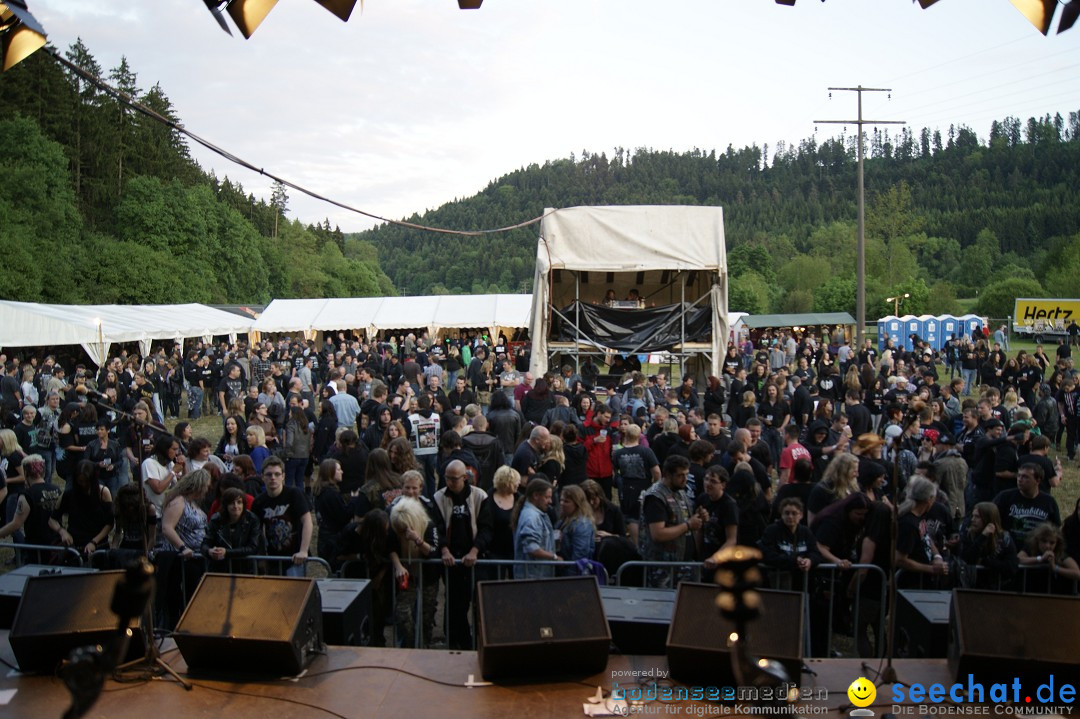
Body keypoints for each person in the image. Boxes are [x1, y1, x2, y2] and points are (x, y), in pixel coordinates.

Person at [433, 459, 489, 649]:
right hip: (451, 560)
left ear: (465, 478)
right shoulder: (439, 497)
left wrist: (475, 550)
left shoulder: (479, 496)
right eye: (447, 478)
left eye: (454, 479)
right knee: (454, 602)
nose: (449, 482)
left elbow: (486, 528)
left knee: (476, 602)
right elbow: (437, 528)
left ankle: (476, 641)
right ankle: (456, 641)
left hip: (474, 559)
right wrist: (444, 549)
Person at [156, 469, 211, 628]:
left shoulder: (194, 503)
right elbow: (167, 528)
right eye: (206, 486)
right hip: (179, 559)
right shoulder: (178, 502)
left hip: (196, 557)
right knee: (178, 598)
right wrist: (182, 547)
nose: (207, 490)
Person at [639, 455, 701, 588]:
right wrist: (688, 525)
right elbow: (658, 534)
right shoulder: (655, 497)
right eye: (680, 475)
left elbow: (683, 517)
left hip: (684, 563)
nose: (685, 479)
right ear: (667, 474)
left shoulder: (680, 491)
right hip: (664, 567)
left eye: (686, 474)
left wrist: (699, 518)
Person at [389, 496, 441, 648]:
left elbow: (433, 551)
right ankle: (410, 645)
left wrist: (418, 540)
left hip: (428, 577)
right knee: (402, 613)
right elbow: (390, 547)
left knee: (426, 615)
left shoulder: (429, 526)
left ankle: (424, 645)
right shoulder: (395, 525)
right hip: (409, 577)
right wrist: (398, 566)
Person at [252, 456, 313, 577]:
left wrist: (303, 550)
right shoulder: (259, 502)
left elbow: (307, 521)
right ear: (262, 476)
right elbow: (256, 531)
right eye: (269, 475)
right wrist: (262, 556)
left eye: (277, 474)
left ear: (283, 476)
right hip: (274, 559)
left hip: (296, 558)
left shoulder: (294, 494)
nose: (273, 478)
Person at [52, 459, 113, 561]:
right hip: (75, 545)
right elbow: (52, 519)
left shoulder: (103, 492)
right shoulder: (69, 494)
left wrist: (94, 542)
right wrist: (62, 531)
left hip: (99, 545)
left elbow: (109, 523)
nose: (83, 485)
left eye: (86, 482)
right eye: (80, 481)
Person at [612, 423, 660, 546]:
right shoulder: (646, 451)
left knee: (632, 518)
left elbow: (616, 472)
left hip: (626, 489)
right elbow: (656, 472)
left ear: (626, 435)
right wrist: (655, 485)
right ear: (639, 436)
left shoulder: (618, 453)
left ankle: (636, 545)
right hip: (644, 487)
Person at [994, 463, 1061, 549]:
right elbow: (991, 517)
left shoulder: (1049, 502)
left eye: (1025, 477)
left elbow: (1056, 529)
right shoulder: (1005, 497)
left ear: (1038, 480)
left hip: (1036, 552)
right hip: (1010, 549)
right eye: (1019, 476)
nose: (1020, 479)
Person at [759, 497, 821, 586]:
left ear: (801, 515)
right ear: (781, 514)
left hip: (802, 583)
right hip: (777, 582)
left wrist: (810, 561)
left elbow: (816, 552)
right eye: (787, 513)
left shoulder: (806, 532)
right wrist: (794, 560)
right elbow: (767, 554)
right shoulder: (772, 530)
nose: (790, 516)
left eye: (794, 513)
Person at [958, 502, 1017, 590]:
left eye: (977, 517)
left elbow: (1011, 567)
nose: (972, 519)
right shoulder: (969, 535)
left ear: (988, 519)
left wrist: (985, 562)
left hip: (998, 588)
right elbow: (968, 560)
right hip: (972, 587)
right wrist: (982, 536)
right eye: (973, 516)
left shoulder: (1005, 538)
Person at [513, 477, 559, 578]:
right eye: (547, 497)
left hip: (537, 576)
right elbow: (531, 548)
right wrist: (554, 557)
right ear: (536, 495)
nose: (550, 501)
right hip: (532, 577)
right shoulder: (531, 517)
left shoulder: (536, 514)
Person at [695, 464, 738, 568]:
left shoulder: (729, 505)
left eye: (713, 481)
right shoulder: (702, 499)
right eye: (706, 479)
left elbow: (731, 539)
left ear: (723, 485)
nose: (708, 484)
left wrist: (715, 558)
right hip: (704, 555)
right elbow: (699, 530)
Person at [1017, 522, 1080, 593]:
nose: (1047, 546)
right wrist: (1040, 559)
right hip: (1030, 592)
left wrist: (1055, 568)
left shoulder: (1059, 553)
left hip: (1052, 595)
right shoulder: (1030, 548)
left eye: (1052, 543)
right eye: (1044, 541)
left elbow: (1077, 573)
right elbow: (1018, 559)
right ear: (1037, 540)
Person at [312, 458, 351, 569]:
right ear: (330, 472)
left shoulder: (321, 491)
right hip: (333, 541)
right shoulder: (330, 494)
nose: (342, 472)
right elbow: (343, 516)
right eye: (339, 469)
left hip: (325, 539)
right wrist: (354, 501)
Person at [142, 434, 185, 519]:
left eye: (178, 449)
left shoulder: (170, 464)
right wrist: (173, 472)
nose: (177, 453)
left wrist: (184, 465)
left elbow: (184, 486)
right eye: (174, 449)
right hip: (155, 515)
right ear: (164, 449)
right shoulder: (149, 463)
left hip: (169, 513)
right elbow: (158, 489)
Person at [557, 484, 595, 568]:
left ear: (577, 504)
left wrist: (572, 578)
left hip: (573, 573)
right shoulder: (563, 519)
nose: (562, 503)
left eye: (566, 501)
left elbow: (580, 554)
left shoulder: (582, 524)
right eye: (561, 500)